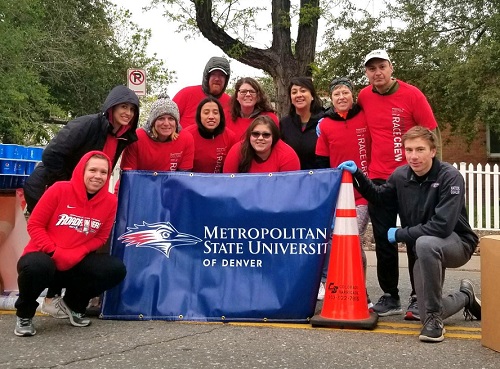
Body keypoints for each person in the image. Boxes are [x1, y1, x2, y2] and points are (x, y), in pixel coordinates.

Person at [338, 126, 480, 343]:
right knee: (424, 309)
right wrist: (358, 174)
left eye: (420, 149)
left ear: (433, 151)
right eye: (409, 150)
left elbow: (442, 226)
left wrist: (402, 233)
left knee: (424, 243)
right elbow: (379, 198)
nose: (414, 156)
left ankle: (434, 321)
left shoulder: (450, 177)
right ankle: (464, 297)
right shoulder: (400, 175)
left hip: (458, 243)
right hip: (425, 249)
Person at [22, 85, 138, 316]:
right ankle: (38, 303)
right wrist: (67, 187)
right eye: (123, 106)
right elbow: (52, 154)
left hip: (79, 194)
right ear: (111, 106)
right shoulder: (87, 124)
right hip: (49, 188)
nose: (127, 112)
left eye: (132, 109)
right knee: (52, 243)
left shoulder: (121, 136)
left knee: (76, 241)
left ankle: (63, 300)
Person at [357, 49, 440, 320]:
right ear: (367, 73)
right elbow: (347, 114)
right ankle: (390, 295)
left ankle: (419, 297)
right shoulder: (364, 96)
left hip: (411, 178)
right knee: (383, 239)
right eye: (371, 69)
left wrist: (436, 173)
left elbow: (431, 132)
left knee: (416, 237)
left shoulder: (412, 94)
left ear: (391, 68)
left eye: (382, 66)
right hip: (380, 179)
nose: (377, 72)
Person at [14, 151, 127, 336]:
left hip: (76, 261)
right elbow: (35, 225)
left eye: (103, 172)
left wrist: (78, 253)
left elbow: (101, 238)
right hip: (46, 258)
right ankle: (25, 314)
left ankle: (73, 305)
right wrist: (53, 251)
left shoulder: (110, 201)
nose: (98, 176)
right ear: (82, 170)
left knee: (115, 268)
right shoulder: (59, 189)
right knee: (36, 266)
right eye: (93, 170)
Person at [315, 77, 371, 302]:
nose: (341, 97)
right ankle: (343, 289)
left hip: (364, 191)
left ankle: (360, 291)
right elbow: (321, 161)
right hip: (340, 193)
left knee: (352, 237)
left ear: (352, 95)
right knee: (342, 241)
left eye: (345, 92)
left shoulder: (364, 116)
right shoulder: (325, 125)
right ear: (331, 98)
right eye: (336, 94)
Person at [121, 95, 195, 171]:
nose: (166, 123)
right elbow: (128, 175)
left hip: (170, 182)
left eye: (171, 119)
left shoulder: (186, 138)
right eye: (161, 118)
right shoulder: (137, 137)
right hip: (140, 181)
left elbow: (183, 177)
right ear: (153, 122)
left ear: (176, 123)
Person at [223, 116, 300, 173]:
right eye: (255, 134)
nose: (260, 138)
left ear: (274, 137)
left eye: (266, 135)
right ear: (249, 135)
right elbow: (228, 183)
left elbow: (289, 189)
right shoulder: (237, 151)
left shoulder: (288, 156)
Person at [280, 77, 324, 170]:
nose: (298, 95)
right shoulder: (284, 124)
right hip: (292, 179)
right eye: (294, 92)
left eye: (303, 91)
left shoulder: (324, 121)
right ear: (291, 98)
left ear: (312, 96)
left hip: (320, 179)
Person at [173, 56, 231, 128]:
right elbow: (167, 119)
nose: (217, 79)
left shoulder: (230, 103)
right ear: (207, 76)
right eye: (213, 74)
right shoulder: (186, 93)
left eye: (221, 75)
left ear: (226, 79)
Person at [184, 97, 238, 173]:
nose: (211, 117)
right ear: (199, 116)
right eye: (206, 113)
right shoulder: (187, 135)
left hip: (220, 182)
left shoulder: (230, 137)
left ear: (221, 116)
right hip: (192, 181)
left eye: (215, 113)